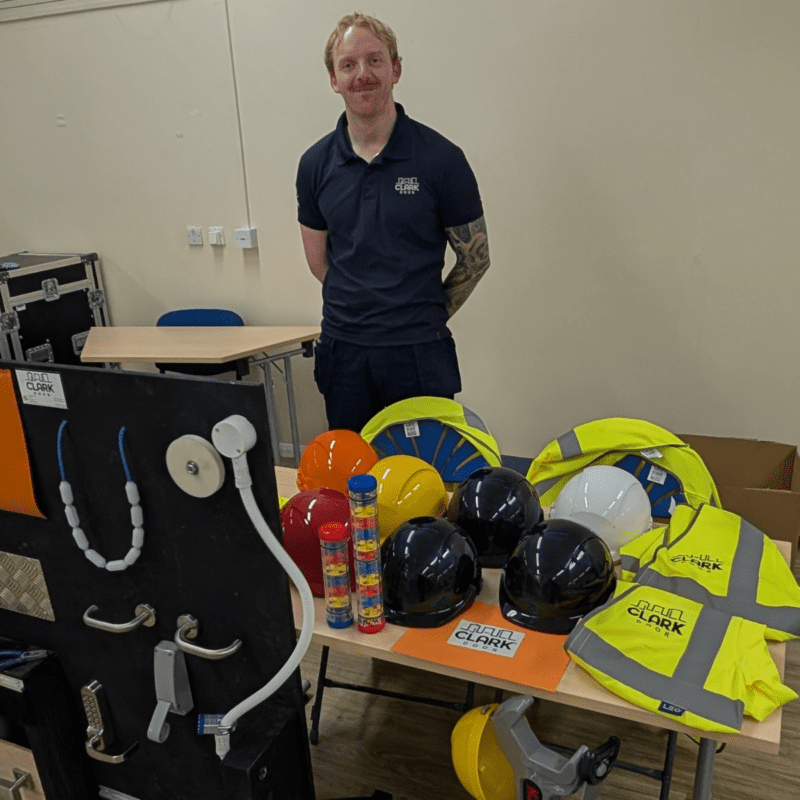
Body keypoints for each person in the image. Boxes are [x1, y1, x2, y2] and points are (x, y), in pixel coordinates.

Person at [296, 12, 490, 433]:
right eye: (348, 64)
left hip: (420, 355)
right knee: (354, 483)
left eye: (375, 60)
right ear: (334, 78)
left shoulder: (442, 159)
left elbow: (476, 258)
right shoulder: (314, 165)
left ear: (396, 69)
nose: (362, 74)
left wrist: (423, 313)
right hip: (344, 356)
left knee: (425, 488)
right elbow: (319, 262)